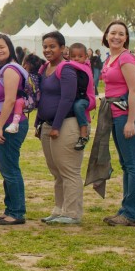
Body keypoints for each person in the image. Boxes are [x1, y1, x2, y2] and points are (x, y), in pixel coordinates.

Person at [36, 31, 84, 226]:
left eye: (52, 46)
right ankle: (59, 209)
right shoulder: (45, 68)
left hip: (65, 125)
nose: (48, 50)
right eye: (45, 46)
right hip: (48, 125)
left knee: (69, 171)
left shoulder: (66, 69)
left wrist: (56, 125)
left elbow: (67, 99)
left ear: (63, 48)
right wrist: (38, 123)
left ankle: (72, 213)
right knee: (56, 171)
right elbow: (43, 98)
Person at [101, 20, 135, 227]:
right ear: (107, 35)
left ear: (126, 38)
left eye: (121, 34)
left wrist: (130, 121)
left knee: (133, 165)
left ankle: (132, 214)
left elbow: (134, 90)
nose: (116, 37)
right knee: (126, 165)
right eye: (113, 33)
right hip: (115, 115)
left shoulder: (126, 58)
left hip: (127, 115)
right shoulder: (110, 57)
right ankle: (126, 209)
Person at [0, 34, 30, 226]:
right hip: (3, 122)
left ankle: (17, 211)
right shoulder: (1, 70)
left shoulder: (10, 70)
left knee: (10, 169)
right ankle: (10, 208)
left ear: (10, 48)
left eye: (2, 47)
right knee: (7, 168)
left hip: (10, 124)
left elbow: (10, 100)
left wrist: (0, 127)